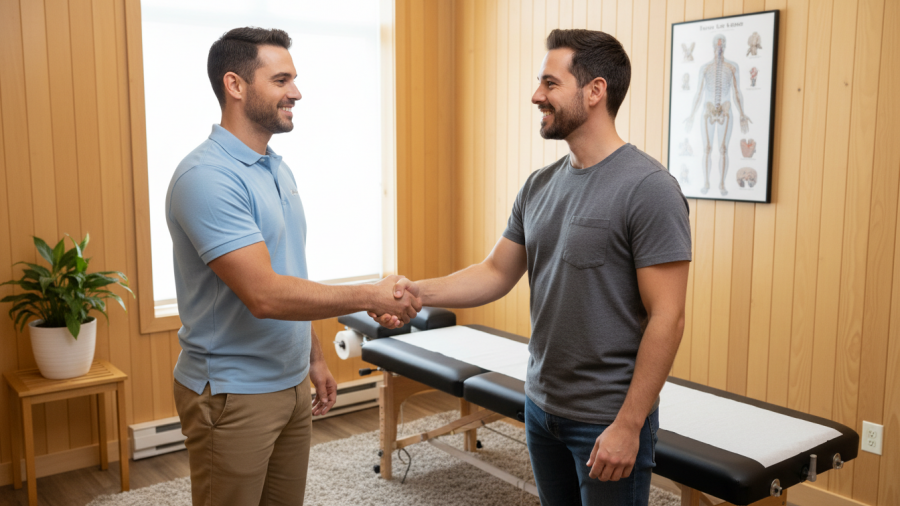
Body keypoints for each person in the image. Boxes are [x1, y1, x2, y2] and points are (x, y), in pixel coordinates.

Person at [373, 29, 691, 506]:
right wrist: (415, 292)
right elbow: (495, 272)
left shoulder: (649, 188)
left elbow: (668, 317)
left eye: (550, 83)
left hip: (606, 417)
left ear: (595, 90)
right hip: (542, 406)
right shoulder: (540, 185)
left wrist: (628, 425)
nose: (536, 95)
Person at [166, 27, 421, 506]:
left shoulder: (275, 168)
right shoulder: (206, 178)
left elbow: (289, 272)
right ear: (235, 85)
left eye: (294, 80)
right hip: (233, 392)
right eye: (281, 80)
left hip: (287, 382)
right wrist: (369, 295)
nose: (296, 92)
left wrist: (313, 356)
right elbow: (264, 294)